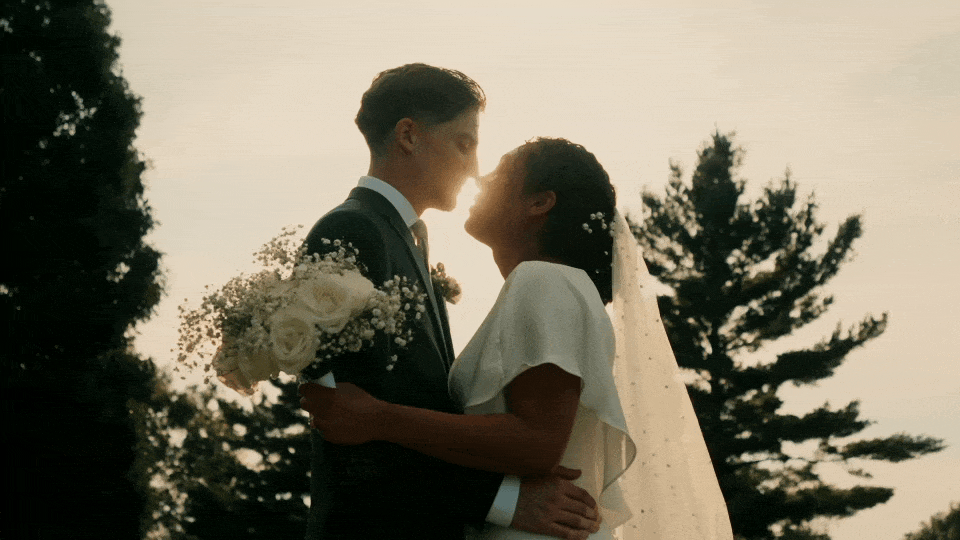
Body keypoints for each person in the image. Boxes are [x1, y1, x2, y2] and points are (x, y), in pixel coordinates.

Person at [300, 137, 735, 539]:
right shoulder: (553, 287)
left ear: (540, 202)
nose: (479, 178)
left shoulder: (543, 281)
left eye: (499, 174)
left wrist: (380, 416)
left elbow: (538, 444)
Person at [300, 65, 602, 540]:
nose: (474, 167)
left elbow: (381, 416)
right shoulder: (354, 232)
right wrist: (502, 501)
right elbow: (346, 424)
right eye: (464, 143)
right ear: (408, 136)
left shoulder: (407, 243)